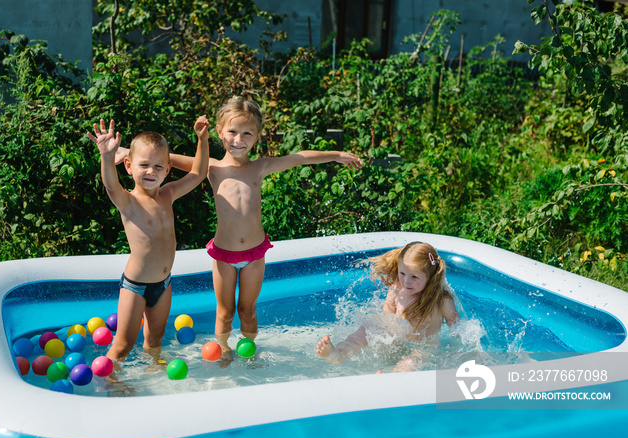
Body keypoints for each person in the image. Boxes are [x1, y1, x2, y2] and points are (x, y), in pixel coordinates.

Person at [150, 98, 363, 362]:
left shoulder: (259, 167)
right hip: (224, 255)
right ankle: (224, 351)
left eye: (247, 133)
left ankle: (250, 353)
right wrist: (125, 153)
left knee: (248, 310)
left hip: (254, 255)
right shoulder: (211, 167)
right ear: (219, 131)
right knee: (225, 312)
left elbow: (298, 159)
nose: (239, 139)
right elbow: (164, 157)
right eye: (232, 132)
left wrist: (336, 155)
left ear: (257, 136)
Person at [86, 116, 209, 375]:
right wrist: (107, 157)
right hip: (135, 286)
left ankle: (152, 375)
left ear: (167, 169)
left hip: (163, 284)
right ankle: (111, 384)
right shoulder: (128, 201)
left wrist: (202, 140)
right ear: (129, 166)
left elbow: (198, 173)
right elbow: (110, 185)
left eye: (157, 166)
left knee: (155, 340)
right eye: (143, 165)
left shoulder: (169, 194)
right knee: (122, 344)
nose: (151, 171)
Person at [316, 241, 459, 371]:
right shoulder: (397, 290)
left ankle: (391, 379)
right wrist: (377, 334)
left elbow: (457, 330)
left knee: (411, 362)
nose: (406, 281)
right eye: (402, 273)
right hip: (397, 341)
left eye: (414, 277)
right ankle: (339, 354)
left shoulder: (442, 301)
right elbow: (386, 318)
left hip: (423, 347)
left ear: (431, 276)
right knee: (364, 331)